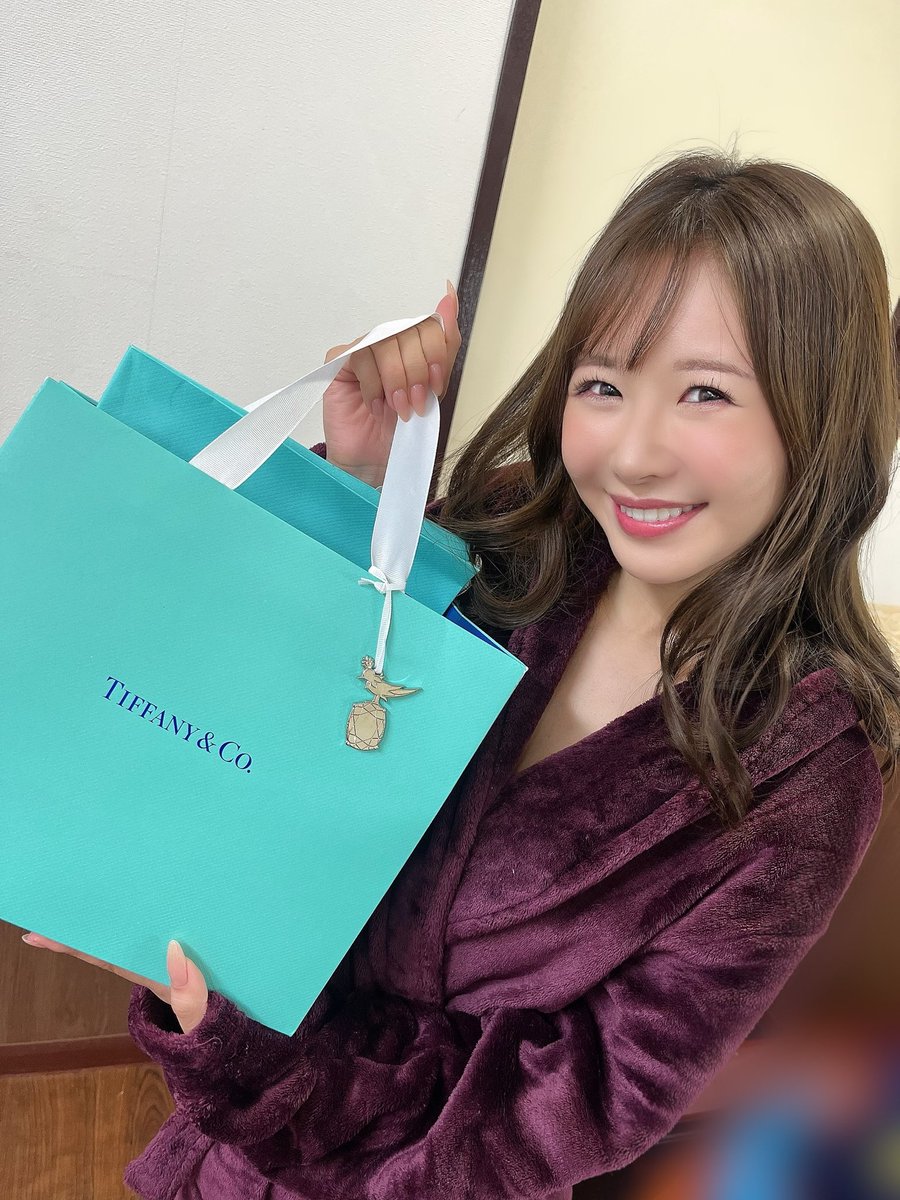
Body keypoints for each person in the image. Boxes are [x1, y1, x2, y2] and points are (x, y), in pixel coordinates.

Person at [23, 148, 900, 1200]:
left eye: (706, 392)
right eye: (603, 385)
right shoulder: (506, 546)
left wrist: (262, 1066)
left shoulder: (805, 772)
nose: (634, 454)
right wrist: (356, 485)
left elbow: (587, 1103)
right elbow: (285, 745)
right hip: (225, 1160)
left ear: (823, 415)